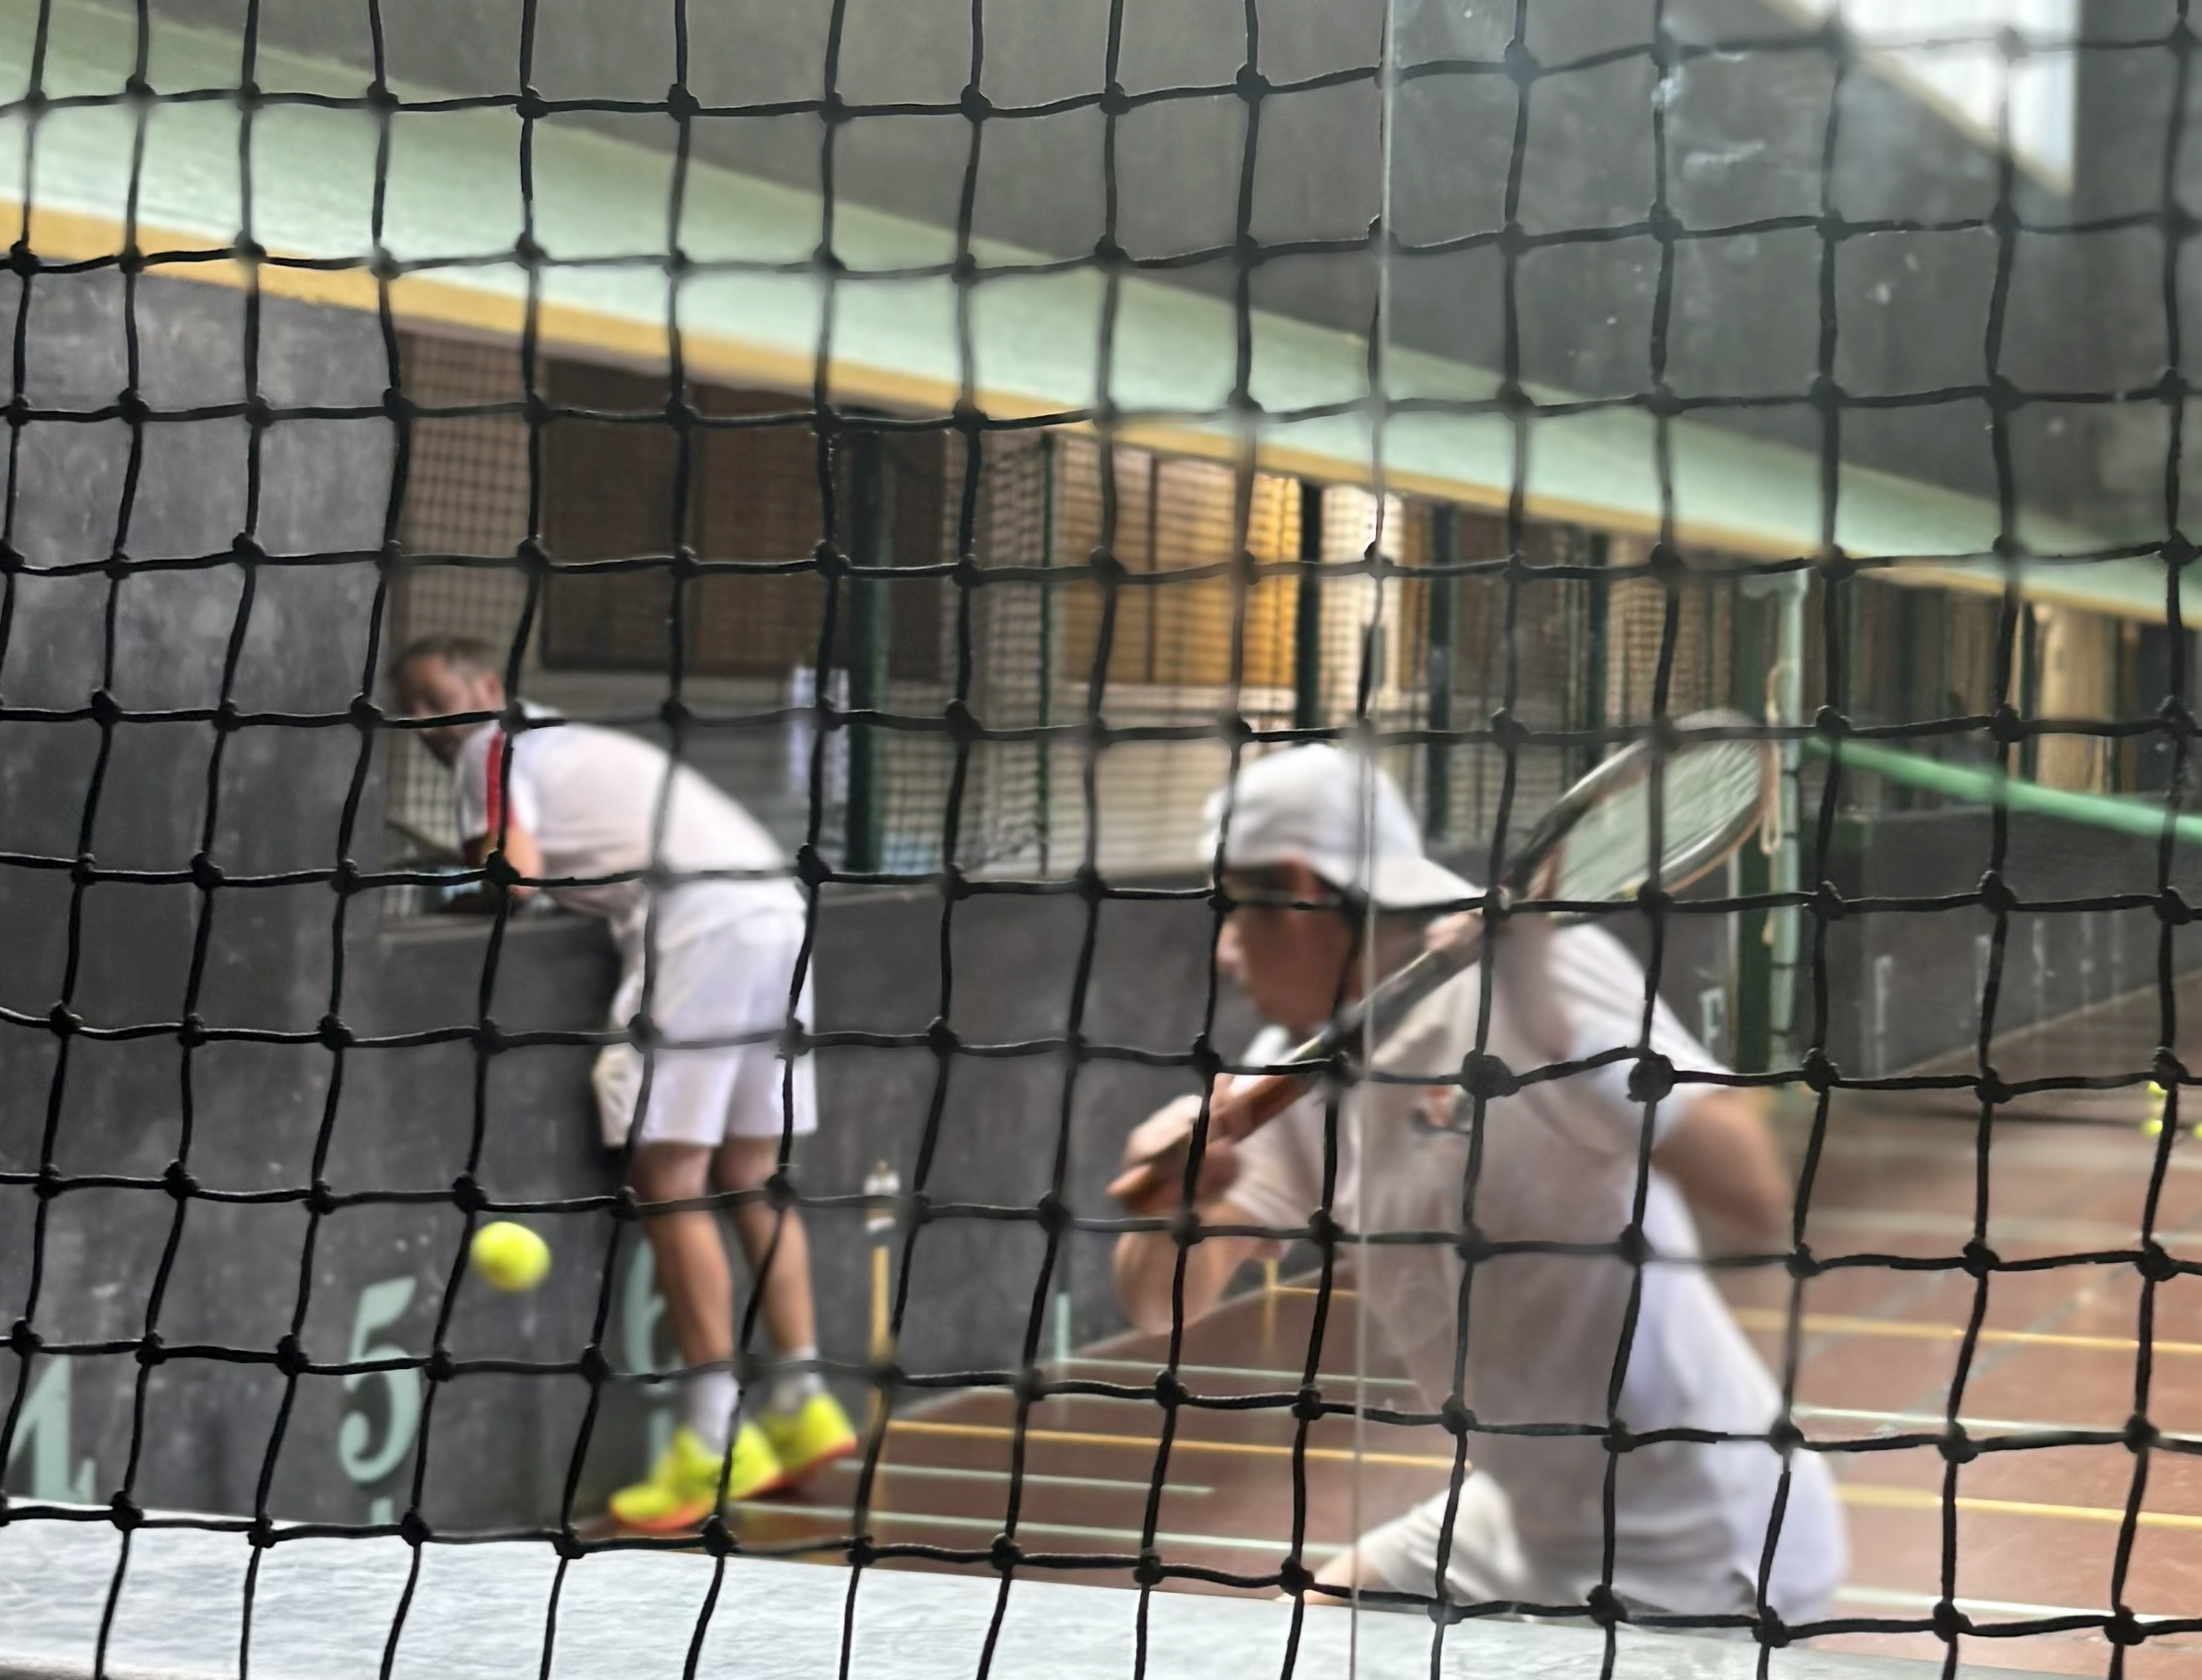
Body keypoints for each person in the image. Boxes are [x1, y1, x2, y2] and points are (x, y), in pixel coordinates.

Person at [1110, 745, 1843, 1628]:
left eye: (1230, 910)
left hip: (1699, 1542)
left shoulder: (1539, 972)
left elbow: (1755, 1195)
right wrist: (1177, 1208)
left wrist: (1561, 1036)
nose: (1224, 952)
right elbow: (1159, 1306)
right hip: (1522, 1512)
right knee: (1315, 1622)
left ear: (1299, 892)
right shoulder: (1296, 1078)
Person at [390, 635, 856, 1533]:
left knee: (668, 1175)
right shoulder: (562, 741)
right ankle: (802, 1403)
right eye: (407, 707)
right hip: (775, 907)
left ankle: (712, 1445)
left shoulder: (493, 746)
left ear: (488, 688)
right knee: (749, 1173)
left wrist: (459, 883)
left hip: (703, 922)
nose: (424, 721)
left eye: (436, 698)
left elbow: (513, 874)